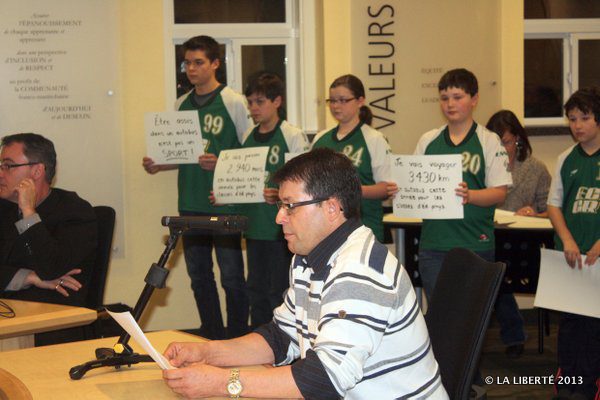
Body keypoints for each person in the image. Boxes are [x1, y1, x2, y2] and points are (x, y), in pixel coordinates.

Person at [162, 148, 448, 399]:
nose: (279, 217)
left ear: (332, 208)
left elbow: (323, 379)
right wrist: (206, 353)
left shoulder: (359, 271)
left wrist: (223, 383)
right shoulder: (307, 256)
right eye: (280, 205)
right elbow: (281, 337)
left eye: (290, 206)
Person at [142, 35, 251, 340]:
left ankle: (239, 337)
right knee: (199, 276)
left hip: (224, 201)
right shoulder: (181, 104)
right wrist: (160, 164)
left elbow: (251, 153)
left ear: (215, 64)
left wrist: (221, 162)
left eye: (198, 62)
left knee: (231, 276)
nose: (191, 68)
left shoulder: (233, 101)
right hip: (190, 200)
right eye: (187, 62)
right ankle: (212, 335)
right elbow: (182, 153)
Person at [414, 69, 526, 362]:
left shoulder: (489, 141)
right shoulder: (428, 140)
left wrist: (471, 195)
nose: (450, 103)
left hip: (475, 243)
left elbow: (500, 193)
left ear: (474, 99)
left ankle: (471, 383)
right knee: (440, 317)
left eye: (457, 97)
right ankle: (442, 383)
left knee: (470, 320)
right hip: (434, 244)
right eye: (444, 98)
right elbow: (417, 185)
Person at [240, 72, 309, 328]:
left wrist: (279, 194)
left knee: (277, 290)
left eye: (259, 102)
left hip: (281, 228)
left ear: (277, 101)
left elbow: (303, 181)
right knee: (255, 288)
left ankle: (280, 344)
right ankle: (256, 341)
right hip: (255, 225)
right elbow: (240, 176)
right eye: (250, 103)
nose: (253, 108)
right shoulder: (248, 135)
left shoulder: (291, 135)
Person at [0, 133, 97, 306]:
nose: (1, 173)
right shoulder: (4, 207)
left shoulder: (74, 212)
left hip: (50, 319)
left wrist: (28, 214)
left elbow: (51, 269)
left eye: (8, 166)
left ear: (37, 171)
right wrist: (29, 277)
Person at [547, 87, 600, 400]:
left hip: (597, 260)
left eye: (585, 118)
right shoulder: (566, 158)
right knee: (570, 327)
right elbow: (554, 205)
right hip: (570, 259)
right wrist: (566, 238)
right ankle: (569, 387)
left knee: (595, 329)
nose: (578, 125)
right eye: (572, 119)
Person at [311, 74, 397, 243]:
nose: (336, 106)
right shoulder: (321, 139)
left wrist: (351, 190)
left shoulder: (374, 139)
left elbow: (386, 188)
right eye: (332, 101)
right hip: (326, 230)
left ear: (360, 101)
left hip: (364, 228)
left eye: (343, 100)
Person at [486, 109, 551, 217]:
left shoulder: (536, 169)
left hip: (523, 232)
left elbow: (552, 212)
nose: (500, 149)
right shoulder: (481, 167)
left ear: (517, 139)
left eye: (506, 143)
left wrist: (534, 216)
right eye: (494, 144)